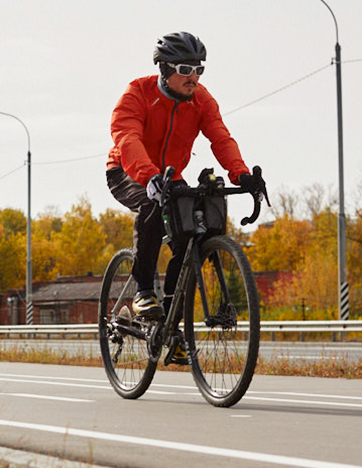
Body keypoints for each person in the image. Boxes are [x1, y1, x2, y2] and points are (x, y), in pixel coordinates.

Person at [105, 31, 260, 363]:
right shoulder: (137, 93)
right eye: (186, 69)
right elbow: (127, 137)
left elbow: (221, 138)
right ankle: (144, 291)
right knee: (151, 204)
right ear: (163, 69)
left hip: (171, 176)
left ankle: (172, 328)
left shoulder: (202, 99)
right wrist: (149, 177)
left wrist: (242, 174)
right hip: (127, 171)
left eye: (199, 69)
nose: (194, 77)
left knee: (191, 236)